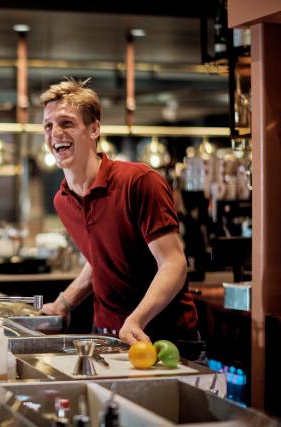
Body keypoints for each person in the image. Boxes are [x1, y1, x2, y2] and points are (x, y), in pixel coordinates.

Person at [39, 79, 199, 352]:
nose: (55, 133)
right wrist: (64, 303)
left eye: (66, 123)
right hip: (105, 338)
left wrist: (136, 319)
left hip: (162, 338)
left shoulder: (139, 181)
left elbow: (173, 263)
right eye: (48, 125)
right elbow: (99, 260)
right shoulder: (63, 200)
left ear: (94, 129)